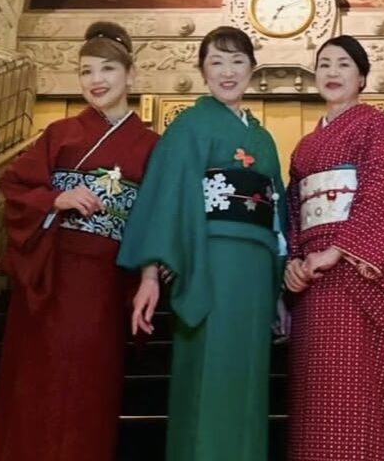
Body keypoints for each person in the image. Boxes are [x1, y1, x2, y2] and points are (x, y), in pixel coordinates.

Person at [0, 21, 159, 461]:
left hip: (104, 280)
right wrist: (55, 198)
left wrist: (148, 276)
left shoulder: (152, 145)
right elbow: (14, 183)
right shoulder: (59, 134)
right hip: (52, 274)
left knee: (90, 389)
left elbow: (157, 215)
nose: (96, 80)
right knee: (35, 388)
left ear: (131, 75)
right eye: (86, 71)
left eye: (107, 69)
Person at [117, 26, 287, 461]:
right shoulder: (189, 126)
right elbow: (165, 195)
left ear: (252, 68)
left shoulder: (263, 138)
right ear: (202, 71)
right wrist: (150, 274)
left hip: (256, 271)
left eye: (237, 61)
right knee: (207, 380)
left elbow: (277, 213)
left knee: (248, 382)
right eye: (217, 62)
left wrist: (279, 291)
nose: (228, 72)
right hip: (209, 260)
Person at [284, 35, 384, 461]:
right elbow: (294, 209)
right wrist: (294, 261)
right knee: (312, 398)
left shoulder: (373, 124)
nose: (332, 72)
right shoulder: (304, 146)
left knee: (353, 389)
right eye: (324, 64)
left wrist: (336, 251)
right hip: (311, 282)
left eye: (343, 64)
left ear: (363, 78)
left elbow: (380, 193)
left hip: (353, 274)